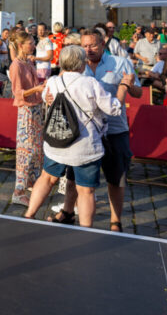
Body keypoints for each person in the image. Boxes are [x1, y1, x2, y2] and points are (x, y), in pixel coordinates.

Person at [24, 46, 132, 227]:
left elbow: (45, 96)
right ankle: (85, 230)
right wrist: (123, 87)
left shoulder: (53, 81)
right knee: (86, 190)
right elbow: (113, 108)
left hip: (57, 141)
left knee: (47, 178)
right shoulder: (90, 84)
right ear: (82, 64)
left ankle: (29, 215)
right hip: (84, 146)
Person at [51, 29, 142, 231]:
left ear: (103, 44)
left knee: (115, 178)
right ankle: (67, 211)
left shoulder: (120, 63)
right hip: (83, 132)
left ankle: (115, 220)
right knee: (75, 176)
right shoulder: (76, 64)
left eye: (92, 45)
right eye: (84, 46)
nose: (88, 50)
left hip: (115, 130)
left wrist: (128, 86)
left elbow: (138, 92)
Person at [8, 30, 45, 205]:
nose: (34, 45)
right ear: (21, 45)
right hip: (26, 111)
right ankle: (18, 190)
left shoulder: (28, 62)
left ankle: (32, 182)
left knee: (36, 150)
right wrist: (36, 90)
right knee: (26, 151)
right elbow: (17, 93)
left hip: (36, 109)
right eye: (31, 43)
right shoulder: (16, 65)